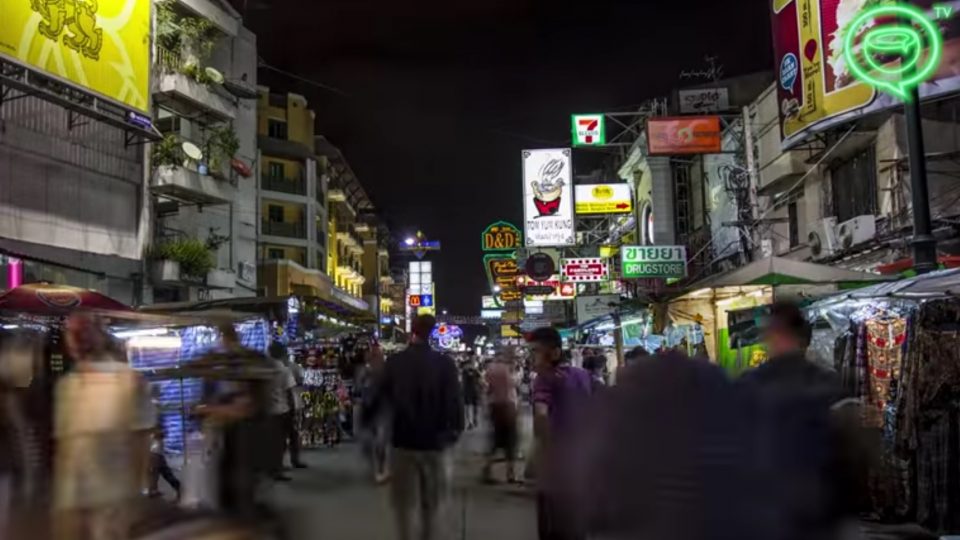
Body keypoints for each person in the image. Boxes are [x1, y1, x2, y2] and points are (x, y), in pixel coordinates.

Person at [738, 302, 854, 540]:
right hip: (820, 509)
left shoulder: (752, 385)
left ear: (774, 336)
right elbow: (848, 453)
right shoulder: (828, 382)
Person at [52, 314, 154, 540]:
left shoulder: (128, 381)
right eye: (71, 333)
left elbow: (141, 442)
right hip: (74, 498)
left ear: (100, 334)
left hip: (112, 499)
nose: (77, 339)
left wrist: (136, 497)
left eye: (84, 330)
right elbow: (65, 447)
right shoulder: (68, 386)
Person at [365, 314, 463, 540]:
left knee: (403, 505)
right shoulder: (445, 364)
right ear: (433, 332)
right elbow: (455, 401)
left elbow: (378, 396)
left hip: (403, 440)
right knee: (432, 504)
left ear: (412, 331)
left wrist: (369, 420)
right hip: (436, 442)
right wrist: (455, 431)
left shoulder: (396, 362)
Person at [530, 327, 592, 540]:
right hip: (582, 464)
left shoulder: (544, 378)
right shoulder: (583, 376)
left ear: (554, 353)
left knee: (553, 528)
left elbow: (541, 415)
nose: (532, 357)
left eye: (536, 351)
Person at [482, 352, 520, 484]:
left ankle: (487, 469)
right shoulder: (507, 370)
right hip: (508, 407)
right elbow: (514, 383)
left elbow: (487, 388)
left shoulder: (490, 369)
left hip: (494, 407)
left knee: (495, 441)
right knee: (511, 441)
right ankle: (511, 474)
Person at [359, 344, 390, 483]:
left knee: (380, 442)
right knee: (368, 443)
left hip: (383, 409)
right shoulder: (364, 371)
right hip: (367, 410)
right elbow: (359, 388)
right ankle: (376, 469)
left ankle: (380, 469)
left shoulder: (387, 371)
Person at [267, 342, 297, 482]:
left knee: (272, 442)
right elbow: (289, 392)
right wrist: (293, 409)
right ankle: (278, 469)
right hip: (282, 410)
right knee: (282, 441)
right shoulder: (284, 370)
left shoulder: (265, 370)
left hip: (268, 411)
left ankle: (273, 468)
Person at [283, 354, 307, 469]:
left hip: (275, 407)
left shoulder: (269, 367)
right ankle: (295, 460)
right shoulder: (290, 367)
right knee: (293, 434)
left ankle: (278, 463)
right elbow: (299, 381)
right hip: (290, 404)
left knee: (280, 436)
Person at [461, 357, 482, 429]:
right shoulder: (474, 370)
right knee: (473, 406)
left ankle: (471, 421)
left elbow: (462, 381)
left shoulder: (464, 370)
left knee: (468, 407)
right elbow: (480, 378)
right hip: (473, 390)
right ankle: (473, 420)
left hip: (468, 391)